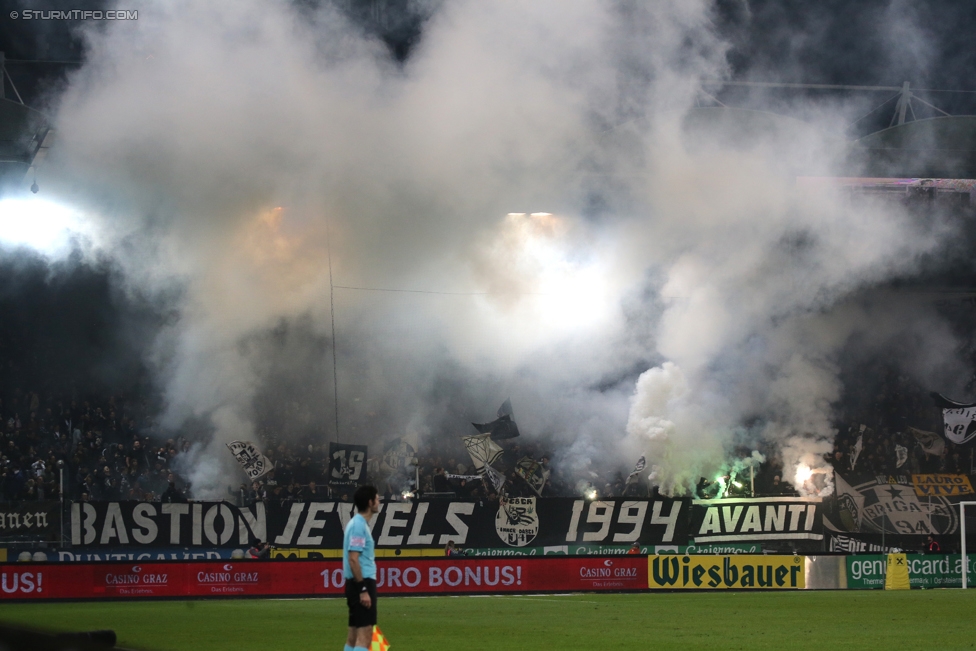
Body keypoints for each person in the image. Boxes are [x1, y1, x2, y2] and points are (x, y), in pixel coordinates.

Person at [343, 485, 380, 651]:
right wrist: (363, 589)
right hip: (361, 582)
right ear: (370, 502)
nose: (379, 502)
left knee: (353, 635)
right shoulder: (358, 525)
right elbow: (353, 559)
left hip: (355, 583)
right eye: (377, 499)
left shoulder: (357, 523)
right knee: (365, 636)